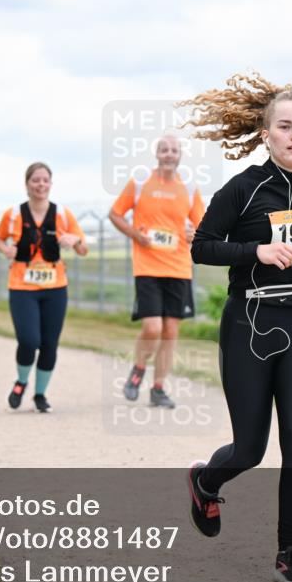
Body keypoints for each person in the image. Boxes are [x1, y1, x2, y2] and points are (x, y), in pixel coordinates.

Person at [181, 73, 292, 582]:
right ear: (266, 134)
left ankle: (290, 553)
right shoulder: (243, 187)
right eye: (285, 127)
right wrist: (253, 251)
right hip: (248, 322)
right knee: (251, 449)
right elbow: (203, 246)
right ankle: (205, 481)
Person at [109, 135, 206, 408]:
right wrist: (135, 235)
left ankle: (159, 388)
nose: (169, 154)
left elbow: (203, 227)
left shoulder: (188, 187)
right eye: (164, 149)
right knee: (152, 328)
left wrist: (193, 233)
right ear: (156, 153)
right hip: (147, 265)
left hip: (178, 267)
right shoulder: (140, 183)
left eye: (174, 150)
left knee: (170, 332)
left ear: (180, 155)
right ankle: (138, 369)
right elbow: (115, 214)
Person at [0, 162, 89, 412]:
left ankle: (40, 395)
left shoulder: (63, 215)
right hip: (22, 286)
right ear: (27, 184)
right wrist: (5, 249)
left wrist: (76, 239)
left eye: (45, 180)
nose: (41, 184)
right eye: (36, 180)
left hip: (55, 287)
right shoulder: (13, 214)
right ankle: (21, 382)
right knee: (28, 340)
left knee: (49, 344)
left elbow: (83, 249)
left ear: (51, 184)